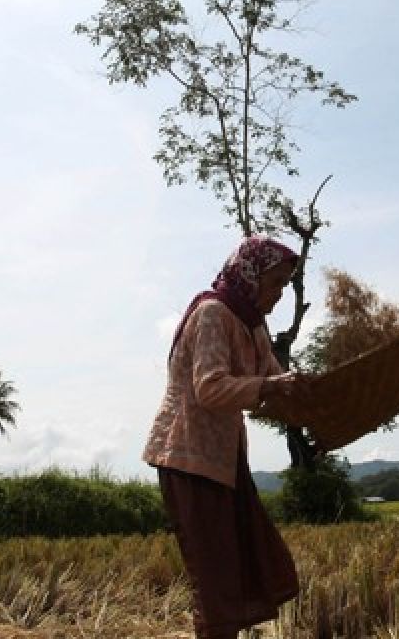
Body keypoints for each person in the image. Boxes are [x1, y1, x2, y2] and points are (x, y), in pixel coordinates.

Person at [143, 234, 311, 639]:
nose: (278, 295)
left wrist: (322, 404)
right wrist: (273, 387)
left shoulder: (253, 325)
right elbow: (211, 388)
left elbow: (273, 383)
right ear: (250, 278)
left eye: (285, 287)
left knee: (252, 568)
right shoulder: (214, 313)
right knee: (218, 583)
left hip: (225, 462)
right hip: (188, 457)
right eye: (275, 284)